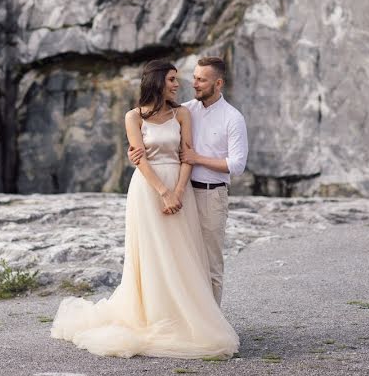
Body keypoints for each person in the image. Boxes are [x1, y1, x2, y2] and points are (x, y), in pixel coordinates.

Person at [50, 60, 239, 359]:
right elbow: (139, 159)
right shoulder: (133, 117)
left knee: (183, 254)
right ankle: (154, 318)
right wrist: (163, 193)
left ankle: (190, 319)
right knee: (150, 256)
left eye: (178, 80)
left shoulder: (183, 113)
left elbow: (186, 155)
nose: (178, 84)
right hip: (147, 191)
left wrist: (177, 192)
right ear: (157, 82)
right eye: (172, 79)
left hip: (181, 189)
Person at [129, 56, 247, 305]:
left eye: (201, 80)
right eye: (194, 78)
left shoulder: (232, 118)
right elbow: (158, 134)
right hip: (182, 193)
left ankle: (212, 323)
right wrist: (134, 153)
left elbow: (237, 165)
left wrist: (197, 158)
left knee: (210, 264)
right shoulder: (185, 108)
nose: (193, 84)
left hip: (210, 194)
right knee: (182, 261)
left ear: (218, 83)